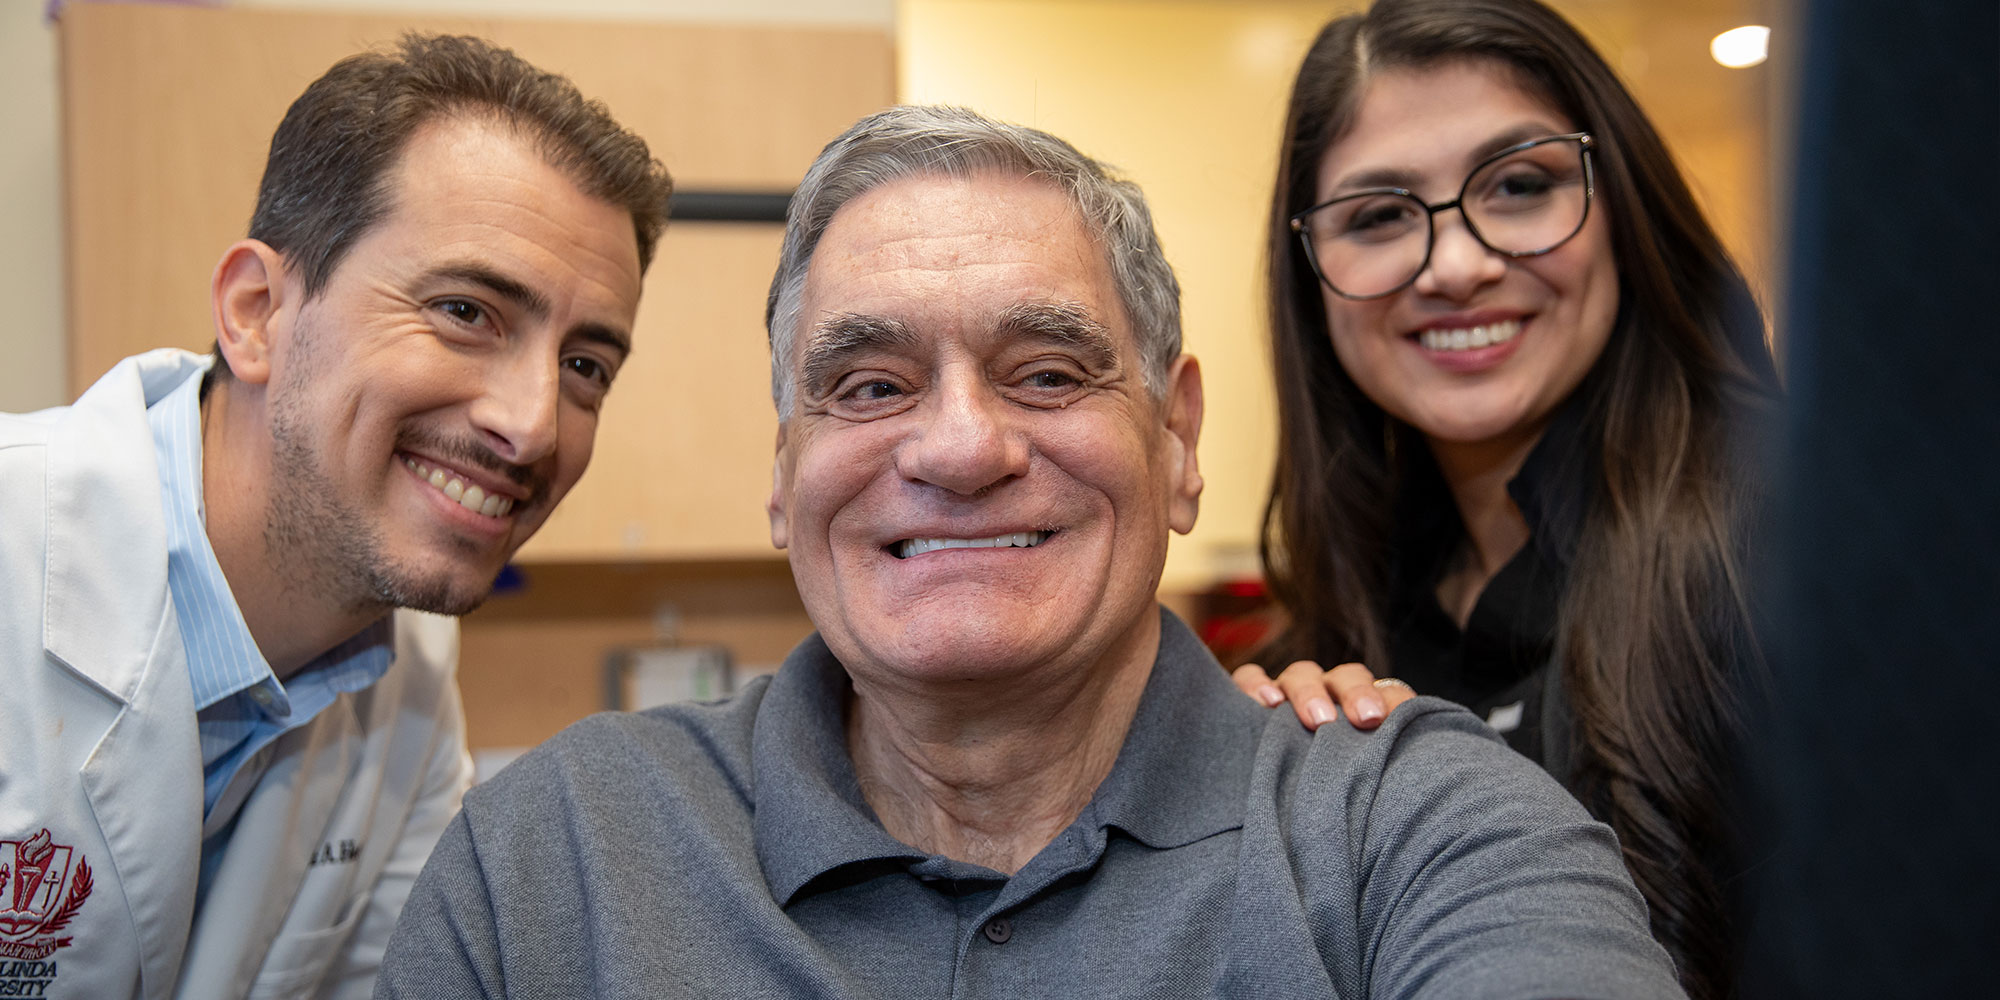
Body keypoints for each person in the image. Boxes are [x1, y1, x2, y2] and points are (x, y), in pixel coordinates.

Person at [375, 104, 1684, 999]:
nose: (958, 448)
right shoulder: (550, 856)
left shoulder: (1425, 838)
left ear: (1175, 441)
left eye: (1048, 371)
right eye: (870, 386)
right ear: (783, 477)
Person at [0, 34, 670, 1000]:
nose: (532, 426)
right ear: (257, 313)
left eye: (584, 366)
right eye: (466, 312)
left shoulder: (410, 676)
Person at [1228, 2, 1782, 997]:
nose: (1457, 265)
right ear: (1309, 279)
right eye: (1378, 216)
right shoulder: (1332, 640)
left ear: (1622, 205)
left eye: (1520, 185)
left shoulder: (1796, 548)